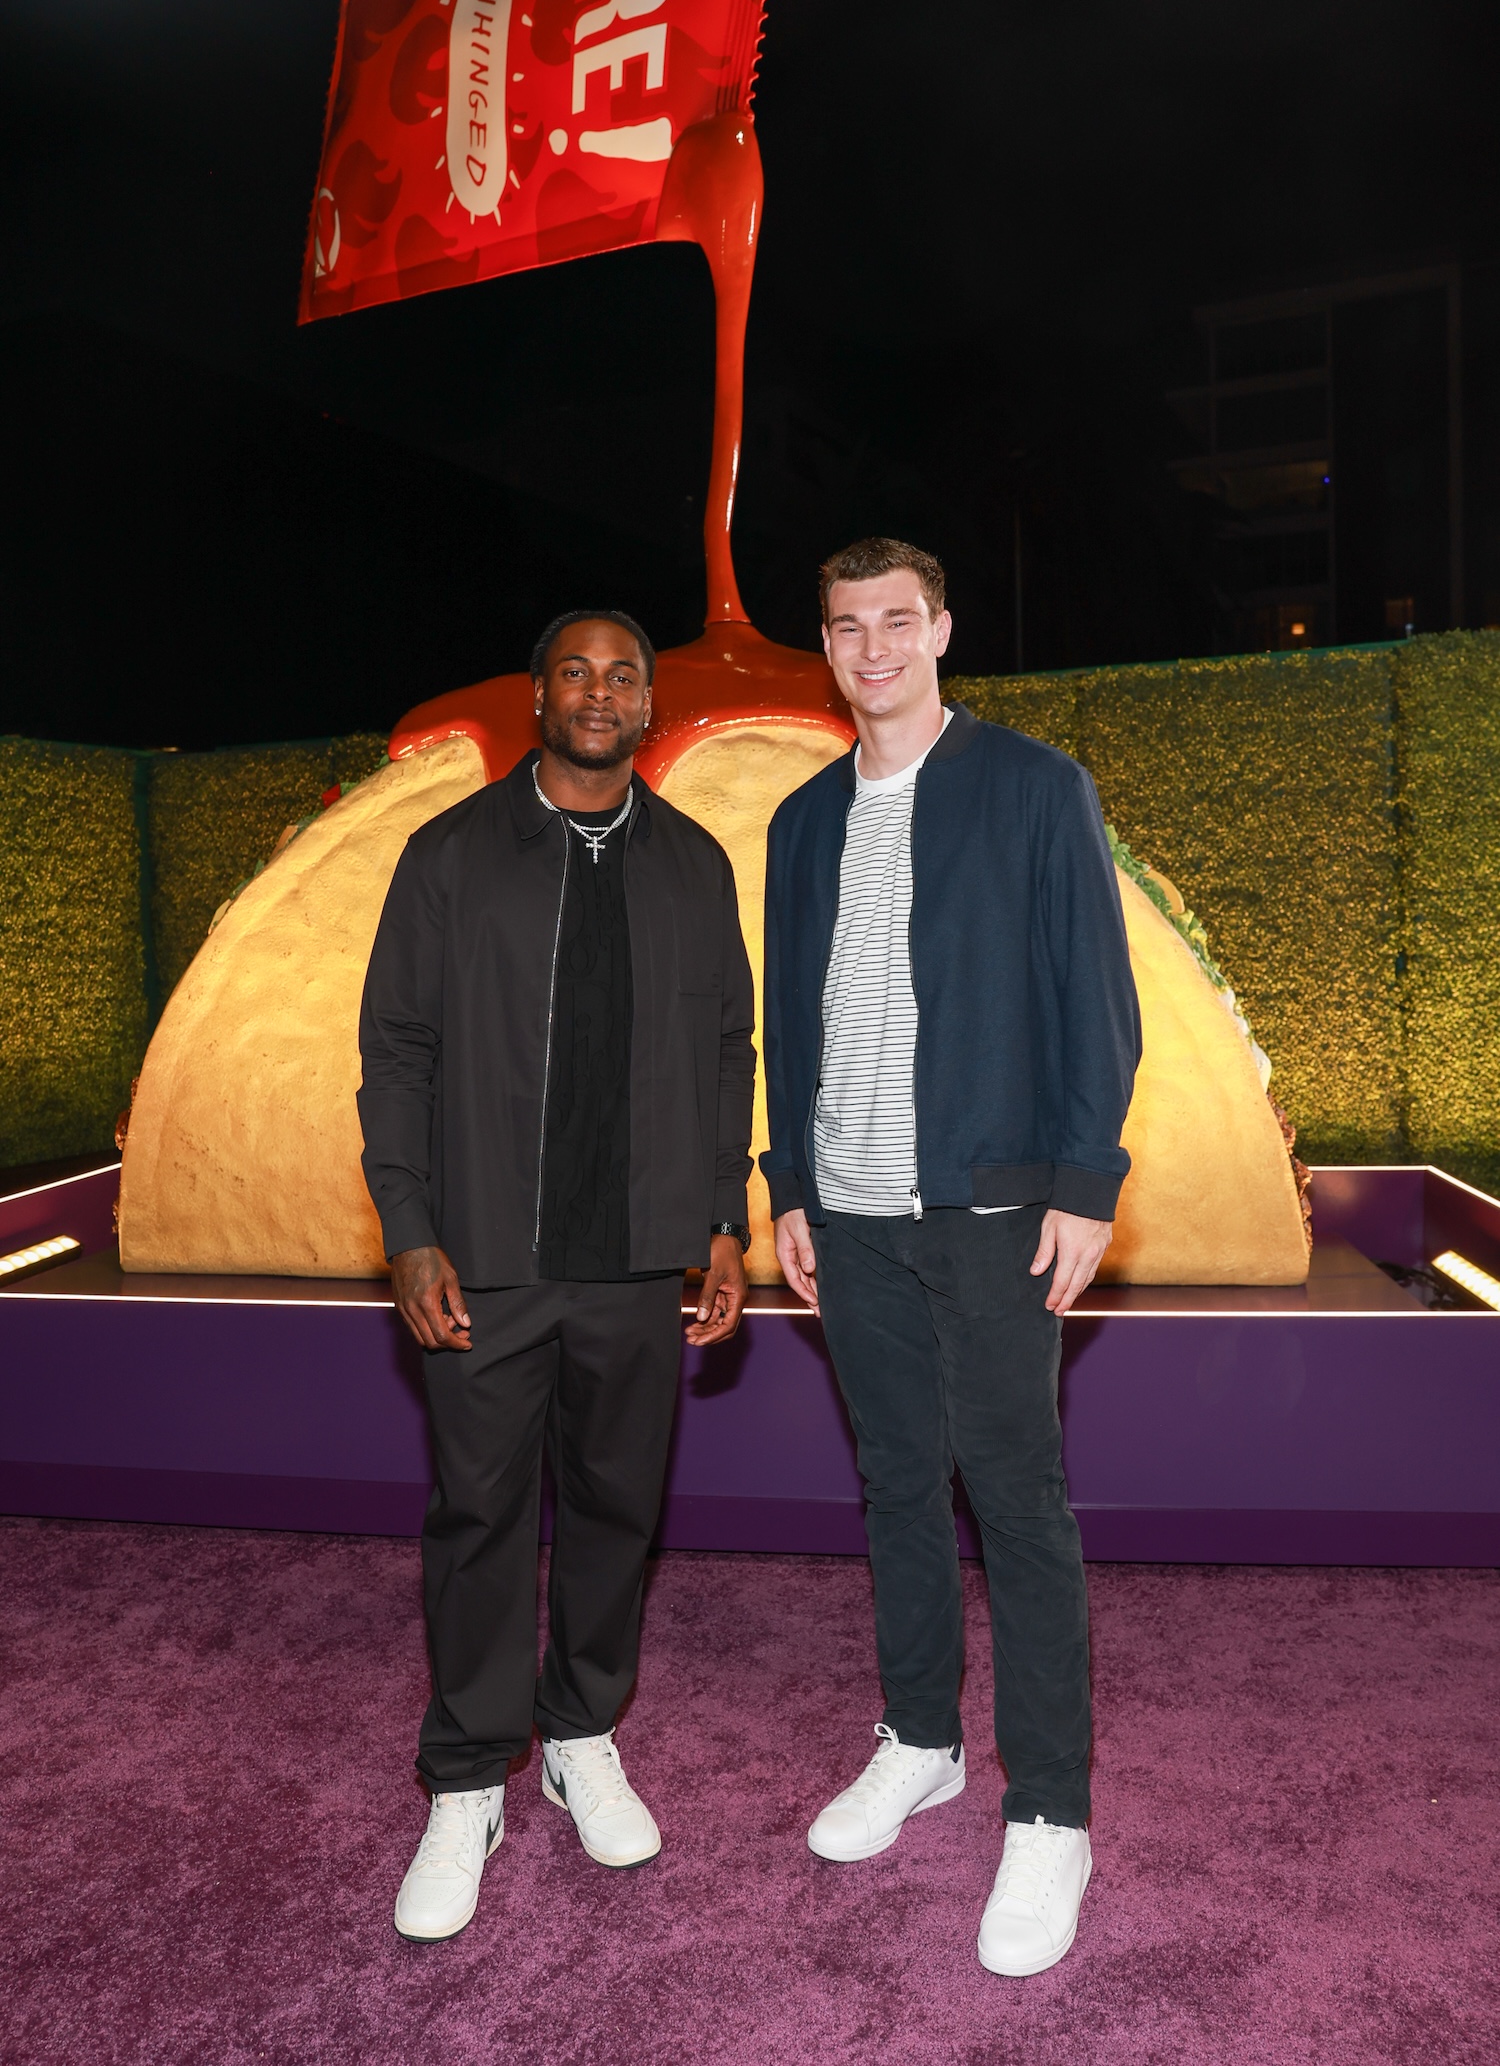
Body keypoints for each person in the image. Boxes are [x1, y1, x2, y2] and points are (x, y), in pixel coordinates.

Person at [761, 537, 1140, 1978]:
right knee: (896, 1484)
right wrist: (788, 1182)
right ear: (829, 644)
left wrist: (1087, 1184)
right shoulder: (802, 821)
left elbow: (1094, 1003)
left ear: (943, 631)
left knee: (1020, 1503)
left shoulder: (1038, 790)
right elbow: (789, 1019)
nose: (874, 647)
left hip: (989, 1215)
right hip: (846, 1219)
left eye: (897, 621)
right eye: (847, 625)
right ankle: (919, 1738)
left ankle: (1051, 1809)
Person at [358, 610, 756, 1943]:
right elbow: (398, 1048)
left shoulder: (696, 865)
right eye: (575, 670)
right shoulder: (450, 856)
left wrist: (719, 1220)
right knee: (476, 1514)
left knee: (613, 1510)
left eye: (624, 672)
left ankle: (583, 1728)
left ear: (650, 702)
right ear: (538, 693)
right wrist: (410, 1226)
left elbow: (725, 1053)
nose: (600, 690)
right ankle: (468, 1773)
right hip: (486, 1258)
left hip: (641, 1260)